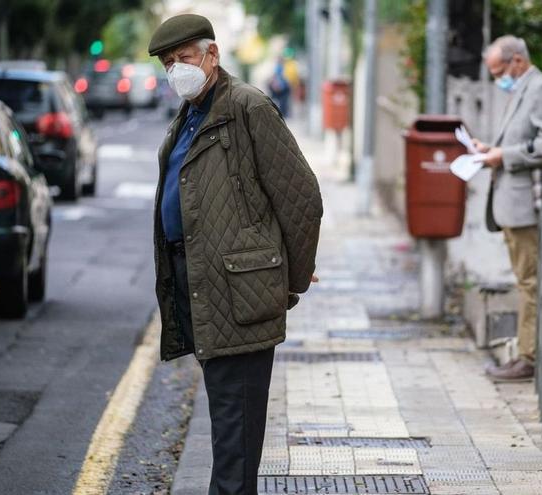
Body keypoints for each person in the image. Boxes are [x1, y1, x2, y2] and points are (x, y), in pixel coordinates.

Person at [147, 14, 323, 494]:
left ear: (212, 55)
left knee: (235, 430)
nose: (175, 70)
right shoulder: (189, 115)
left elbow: (302, 197)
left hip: (240, 289)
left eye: (183, 59)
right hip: (201, 281)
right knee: (229, 423)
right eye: (168, 63)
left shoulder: (247, 107)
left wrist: (290, 280)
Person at [473, 35, 542, 382]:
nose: (498, 79)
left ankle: (530, 358)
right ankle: (526, 355)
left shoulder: (541, 89)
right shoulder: (522, 89)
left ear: (516, 61)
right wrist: (490, 151)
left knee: (530, 282)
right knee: (526, 281)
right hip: (513, 203)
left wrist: (504, 156)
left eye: (498, 71)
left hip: (528, 204)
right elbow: (523, 139)